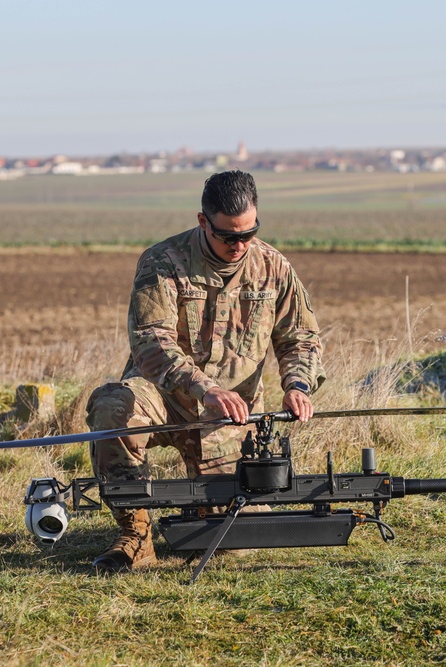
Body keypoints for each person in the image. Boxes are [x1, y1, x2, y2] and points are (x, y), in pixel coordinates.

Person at [86, 170, 325, 572]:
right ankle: (136, 537)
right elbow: (150, 341)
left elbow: (300, 337)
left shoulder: (274, 268)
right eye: (227, 236)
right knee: (112, 409)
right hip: (165, 397)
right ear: (203, 221)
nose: (239, 245)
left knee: (230, 540)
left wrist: (297, 384)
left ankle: (199, 517)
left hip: (230, 418)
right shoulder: (162, 262)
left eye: (248, 234)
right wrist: (204, 388)